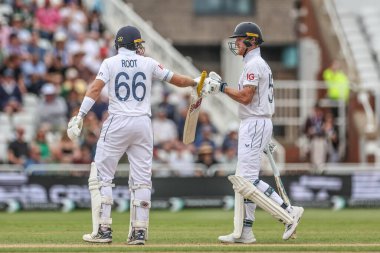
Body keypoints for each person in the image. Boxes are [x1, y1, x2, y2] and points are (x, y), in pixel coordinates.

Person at [66, 25, 203, 245]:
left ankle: (104, 230)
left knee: (102, 177)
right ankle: (139, 232)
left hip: (118, 121)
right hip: (142, 123)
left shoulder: (109, 63)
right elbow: (175, 79)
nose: (141, 47)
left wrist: (80, 115)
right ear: (133, 44)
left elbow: (94, 89)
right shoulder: (148, 63)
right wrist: (196, 82)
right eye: (138, 43)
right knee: (142, 180)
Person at [201, 22, 304, 243]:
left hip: (255, 122)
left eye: (239, 39)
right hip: (255, 122)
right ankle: (244, 232)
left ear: (252, 41)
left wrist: (221, 87)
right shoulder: (255, 64)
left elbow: (245, 97)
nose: (236, 43)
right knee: (243, 181)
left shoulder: (255, 64)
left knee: (246, 181)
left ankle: (288, 213)